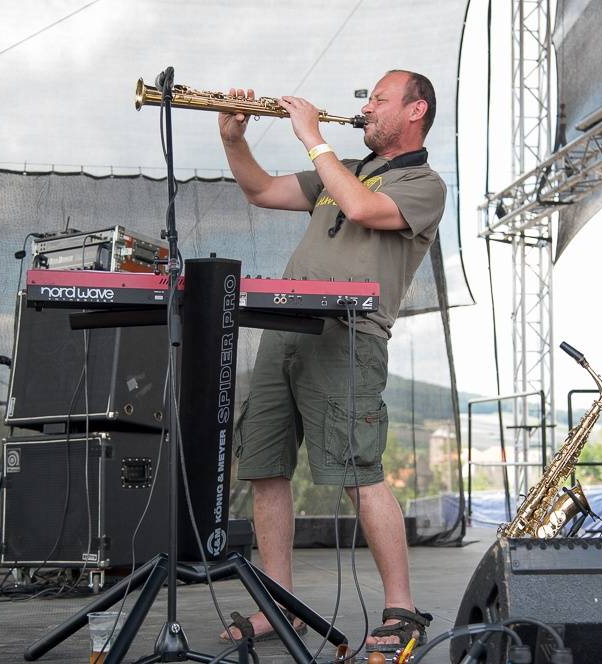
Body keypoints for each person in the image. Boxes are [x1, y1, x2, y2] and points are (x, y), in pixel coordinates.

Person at [218, 70, 444, 652]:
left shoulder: (425, 184)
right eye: (367, 97)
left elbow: (364, 208)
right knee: (264, 466)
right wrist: (233, 139)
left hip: (348, 334)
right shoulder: (340, 170)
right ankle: (279, 605)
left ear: (415, 111)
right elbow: (262, 191)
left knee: (358, 473)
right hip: (283, 327)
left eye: (378, 99)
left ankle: (403, 608)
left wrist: (312, 137)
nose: (366, 107)